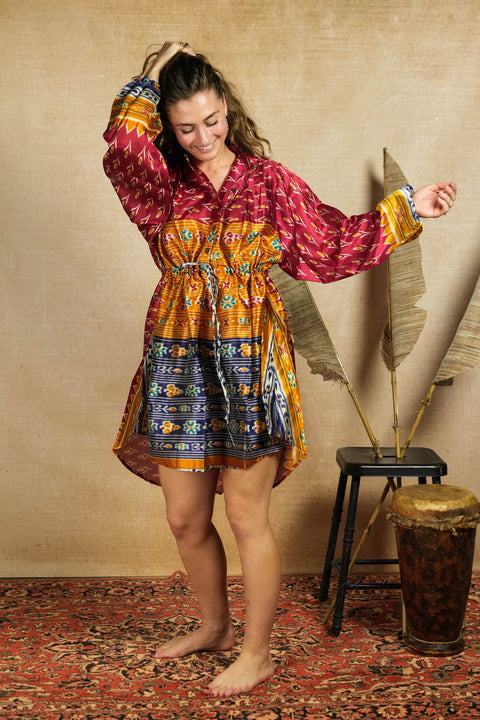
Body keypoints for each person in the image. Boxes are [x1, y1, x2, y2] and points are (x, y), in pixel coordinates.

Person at [103, 41, 456, 697]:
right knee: (184, 518)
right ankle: (215, 626)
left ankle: (257, 653)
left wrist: (410, 208)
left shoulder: (269, 182)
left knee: (246, 517)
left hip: (250, 362)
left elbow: (330, 246)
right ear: (167, 127)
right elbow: (122, 149)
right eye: (186, 127)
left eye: (212, 120)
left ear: (227, 108)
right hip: (179, 363)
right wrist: (151, 75)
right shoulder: (160, 186)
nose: (203, 137)